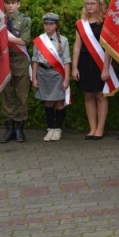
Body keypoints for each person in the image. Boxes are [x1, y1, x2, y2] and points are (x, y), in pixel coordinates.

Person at [72, 0, 113, 140]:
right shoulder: (80, 23)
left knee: (101, 95)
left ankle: (100, 129)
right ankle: (92, 128)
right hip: (84, 62)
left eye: (92, 3)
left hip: (100, 62)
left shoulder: (105, 21)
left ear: (99, 4)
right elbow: (77, 46)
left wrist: (105, 68)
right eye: (87, 3)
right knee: (88, 95)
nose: (89, 6)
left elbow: (108, 47)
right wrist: (74, 67)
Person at [32, 13, 71, 142]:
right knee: (47, 101)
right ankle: (50, 128)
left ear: (56, 25)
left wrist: (66, 79)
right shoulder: (39, 40)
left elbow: (66, 61)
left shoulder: (63, 40)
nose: (48, 26)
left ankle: (58, 128)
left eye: (51, 24)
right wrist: (34, 78)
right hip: (43, 74)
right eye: (46, 24)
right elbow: (35, 60)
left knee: (59, 101)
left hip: (57, 74)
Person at [0, 0, 31, 143]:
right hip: (4, 60)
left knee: (22, 95)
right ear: (4, 5)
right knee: (7, 95)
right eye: (8, 3)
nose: (10, 5)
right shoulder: (0, 21)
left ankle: (19, 129)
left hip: (20, 60)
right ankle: (9, 128)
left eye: (13, 2)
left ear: (18, 4)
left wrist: (5, 37)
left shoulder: (25, 20)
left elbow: (24, 41)